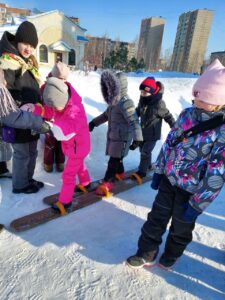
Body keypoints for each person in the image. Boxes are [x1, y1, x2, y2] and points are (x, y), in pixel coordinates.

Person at [126, 59, 225, 269]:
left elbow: (216, 173)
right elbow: (170, 142)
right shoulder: (188, 114)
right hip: (169, 181)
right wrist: (160, 171)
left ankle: (172, 253)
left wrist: (199, 202)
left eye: (203, 98)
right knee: (156, 218)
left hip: (190, 191)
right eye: (195, 96)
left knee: (181, 227)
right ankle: (146, 252)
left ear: (219, 101)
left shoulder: (221, 131)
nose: (195, 101)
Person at [24, 74, 92, 215]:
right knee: (79, 165)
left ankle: (65, 201)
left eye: (57, 107)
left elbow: (63, 132)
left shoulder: (76, 113)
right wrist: (35, 108)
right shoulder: (61, 100)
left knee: (68, 175)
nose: (56, 110)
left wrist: (48, 126)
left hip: (78, 147)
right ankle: (86, 183)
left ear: (64, 101)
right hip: (74, 147)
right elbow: (50, 110)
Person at [0, 21, 44, 194]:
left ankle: (28, 179)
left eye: (32, 46)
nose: (29, 49)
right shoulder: (8, 61)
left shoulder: (28, 63)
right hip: (18, 118)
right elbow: (6, 92)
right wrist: (21, 106)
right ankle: (20, 185)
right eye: (26, 43)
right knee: (22, 154)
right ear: (18, 40)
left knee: (32, 151)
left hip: (31, 118)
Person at [89, 71, 143, 195]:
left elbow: (134, 121)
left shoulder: (126, 102)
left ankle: (108, 182)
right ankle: (120, 173)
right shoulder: (113, 101)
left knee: (113, 160)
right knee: (117, 158)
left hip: (123, 138)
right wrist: (93, 123)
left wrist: (137, 138)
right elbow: (105, 115)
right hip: (114, 136)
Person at [133, 76, 175, 181]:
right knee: (142, 150)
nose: (142, 94)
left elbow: (168, 115)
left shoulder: (158, 104)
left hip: (152, 134)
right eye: (141, 92)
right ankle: (147, 166)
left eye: (145, 93)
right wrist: (132, 115)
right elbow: (138, 110)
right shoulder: (142, 100)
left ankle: (141, 172)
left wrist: (174, 127)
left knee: (145, 152)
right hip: (142, 133)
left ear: (152, 92)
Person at [41, 62, 67, 173]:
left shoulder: (63, 86)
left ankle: (55, 163)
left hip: (56, 119)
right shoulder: (47, 87)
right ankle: (53, 164)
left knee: (56, 142)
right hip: (53, 119)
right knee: (54, 142)